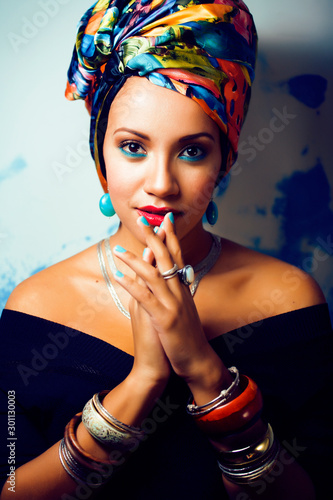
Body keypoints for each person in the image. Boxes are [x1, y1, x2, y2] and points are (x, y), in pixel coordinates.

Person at [0, 1, 332, 499]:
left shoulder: (288, 297)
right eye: (133, 147)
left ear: (224, 159)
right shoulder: (35, 306)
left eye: (193, 150)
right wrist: (144, 380)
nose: (160, 184)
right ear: (100, 157)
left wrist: (201, 366)